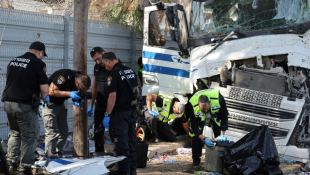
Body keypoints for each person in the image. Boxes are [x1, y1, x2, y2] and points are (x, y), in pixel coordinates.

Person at [2, 41, 49, 175]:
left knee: (15, 132)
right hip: (24, 106)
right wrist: (45, 98)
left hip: (8, 103)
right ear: (40, 52)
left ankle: (11, 164)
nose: (42, 57)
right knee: (30, 136)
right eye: (42, 55)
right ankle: (25, 168)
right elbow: (45, 90)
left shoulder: (13, 61)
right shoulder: (38, 63)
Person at [101, 52, 138, 175]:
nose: (105, 68)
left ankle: (123, 171)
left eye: (105, 65)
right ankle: (132, 170)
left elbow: (112, 96)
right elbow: (137, 90)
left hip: (120, 114)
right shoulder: (130, 70)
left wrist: (107, 114)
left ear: (108, 61)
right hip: (131, 112)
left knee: (121, 144)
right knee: (131, 142)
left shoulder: (113, 73)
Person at [42, 69, 91, 158]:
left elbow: (74, 91)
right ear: (76, 82)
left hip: (60, 105)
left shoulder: (79, 78)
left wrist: (77, 98)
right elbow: (51, 91)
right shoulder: (64, 76)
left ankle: (57, 152)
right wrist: (69, 94)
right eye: (80, 89)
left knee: (64, 131)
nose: (80, 91)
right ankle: (50, 155)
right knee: (52, 131)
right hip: (50, 104)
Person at [187, 89, 229, 170]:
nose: (206, 111)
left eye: (206, 108)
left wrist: (222, 135)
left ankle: (219, 162)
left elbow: (224, 116)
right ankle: (196, 162)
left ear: (209, 102)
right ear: (198, 104)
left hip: (215, 112)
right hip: (199, 117)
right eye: (203, 109)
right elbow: (194, 125)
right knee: (196, 137)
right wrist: (204, 139)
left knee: (219, 135)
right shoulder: (193, 104)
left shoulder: (219, 99)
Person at [87, 47, 109, 155]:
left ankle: (118, 155)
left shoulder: (112, 65)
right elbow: (94, 86)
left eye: (99, 58)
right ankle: (99, 153)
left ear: (103, 53)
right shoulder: (97, 67)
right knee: (98, 130)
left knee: (115, 131)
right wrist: (91, 104)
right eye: (95, 60)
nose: (98, 61)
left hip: (113, 104)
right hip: (100, 103)